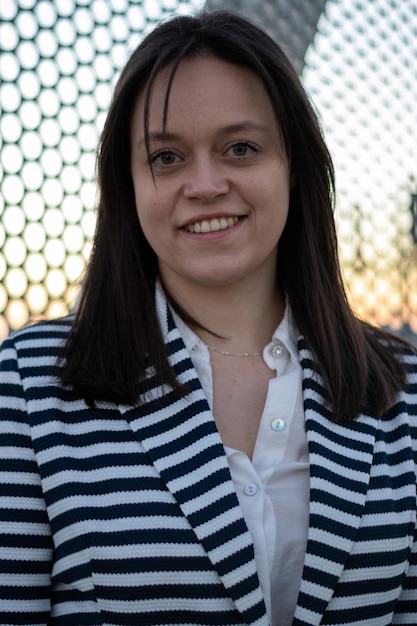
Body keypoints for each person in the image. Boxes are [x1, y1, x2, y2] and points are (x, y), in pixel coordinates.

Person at [0, 10, 416, 626]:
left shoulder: (400, 384)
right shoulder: (28, 385)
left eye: (240, 148)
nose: (204, 183)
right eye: (165, 158)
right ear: (130, 184)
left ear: (294, 166)